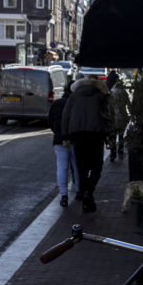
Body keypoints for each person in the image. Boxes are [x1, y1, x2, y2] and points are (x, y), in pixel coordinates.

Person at [61, 74, 111, 213]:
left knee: (81, 169)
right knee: (97, 167)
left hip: (78, 135)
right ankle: (89, 192)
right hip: (96, 135)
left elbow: (66, 115)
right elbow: (107, 116)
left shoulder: (74, 96)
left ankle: (85, 197)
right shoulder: (100, 96)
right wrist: (110, 136)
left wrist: (65, 136)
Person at [48, 89, 79, 208]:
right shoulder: (76, 103)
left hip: (59, 140)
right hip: (75, 139)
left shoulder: (56, 103)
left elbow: (50, 121)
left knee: (62, 167)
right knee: (77, 167)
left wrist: (58, 133)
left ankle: (64, 195)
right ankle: (79, 192)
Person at [108, 72, 129, 162]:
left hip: (113, 117)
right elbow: (128, 103)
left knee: (112, 136)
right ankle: (120, 152)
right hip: (122, 116)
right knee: (121, 136)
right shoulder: (123, 92)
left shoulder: (111, 93)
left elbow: (108, 106)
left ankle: (112, 154)